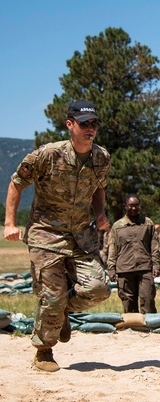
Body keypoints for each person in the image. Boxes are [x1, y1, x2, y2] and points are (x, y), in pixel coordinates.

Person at [4, 99, 112, 372]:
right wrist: (9, 223)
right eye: (84, 123)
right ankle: (44, 351)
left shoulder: (101, 157)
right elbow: (17, 183)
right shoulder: (47, 155)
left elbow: (99, 188)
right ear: (70, 124)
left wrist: (100, 214)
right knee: (52, 295)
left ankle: (63, 311)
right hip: (46, 234)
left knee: (98, 289)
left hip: (81, 235)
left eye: (94, 123)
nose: (91, 128)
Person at [107, 194, 160, 314]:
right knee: (128, 302)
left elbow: (155, 246)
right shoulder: (117, 226)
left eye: (137, 205)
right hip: (124, 269)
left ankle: (149, 327)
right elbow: (112, 249)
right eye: (131, 205)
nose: (134, 208)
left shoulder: (147, 223)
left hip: (145, 267)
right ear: (125, 206)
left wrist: (156, 264)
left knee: (148, 299)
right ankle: (132, 328)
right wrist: (111, 268)